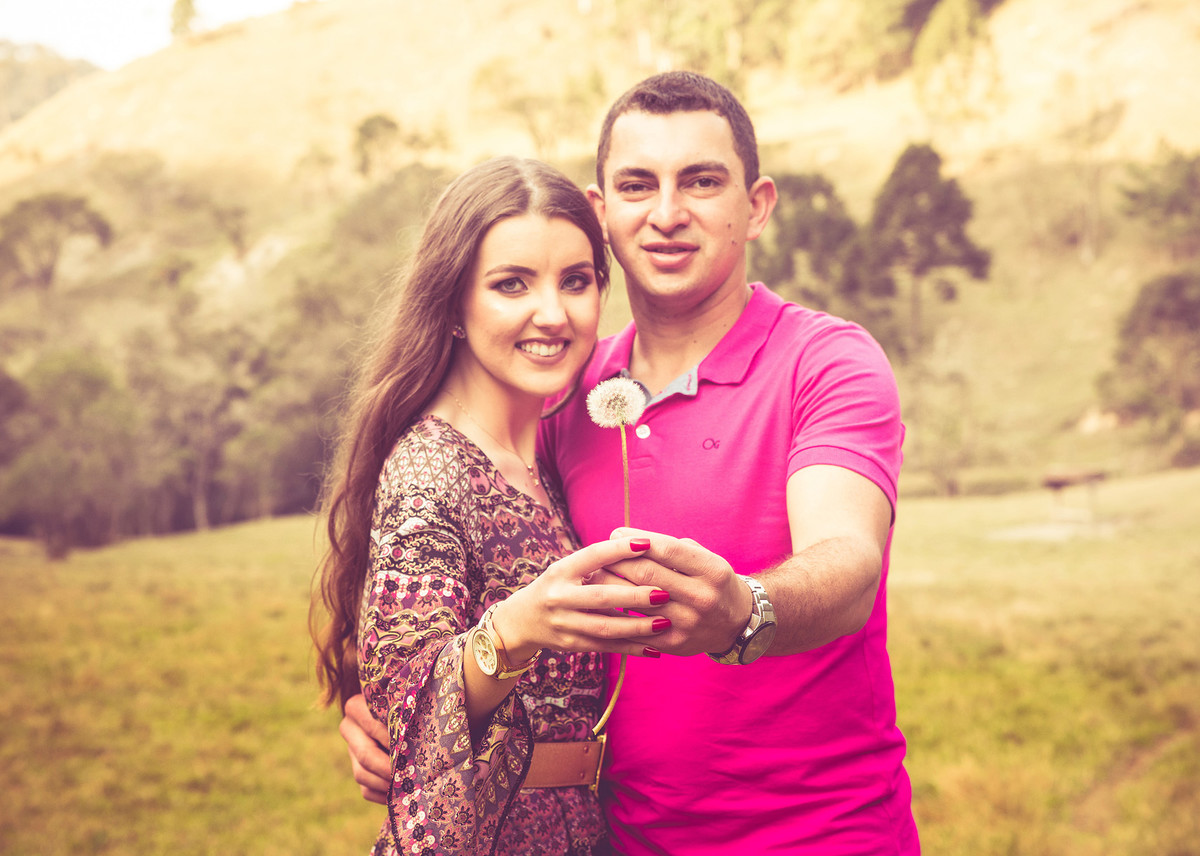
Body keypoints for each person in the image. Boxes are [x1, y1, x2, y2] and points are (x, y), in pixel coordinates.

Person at [340, 73, 920, 854]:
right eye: (638, 185)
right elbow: (445, 570)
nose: (667, 213)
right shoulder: (561, 397)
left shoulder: (826, 362)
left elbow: (848, 560)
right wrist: (381, 709)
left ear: (757, 206)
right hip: (616, 838)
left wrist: (742, 610)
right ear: (602, 212)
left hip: (821, 835)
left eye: (702, 182)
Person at [312, 155, 672, 856]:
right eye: (512, 284)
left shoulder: (547, 460)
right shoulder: (431, 469)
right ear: (452, 305)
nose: (553, 313)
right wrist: (515, 629)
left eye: (576, 281)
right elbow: (406, 704)